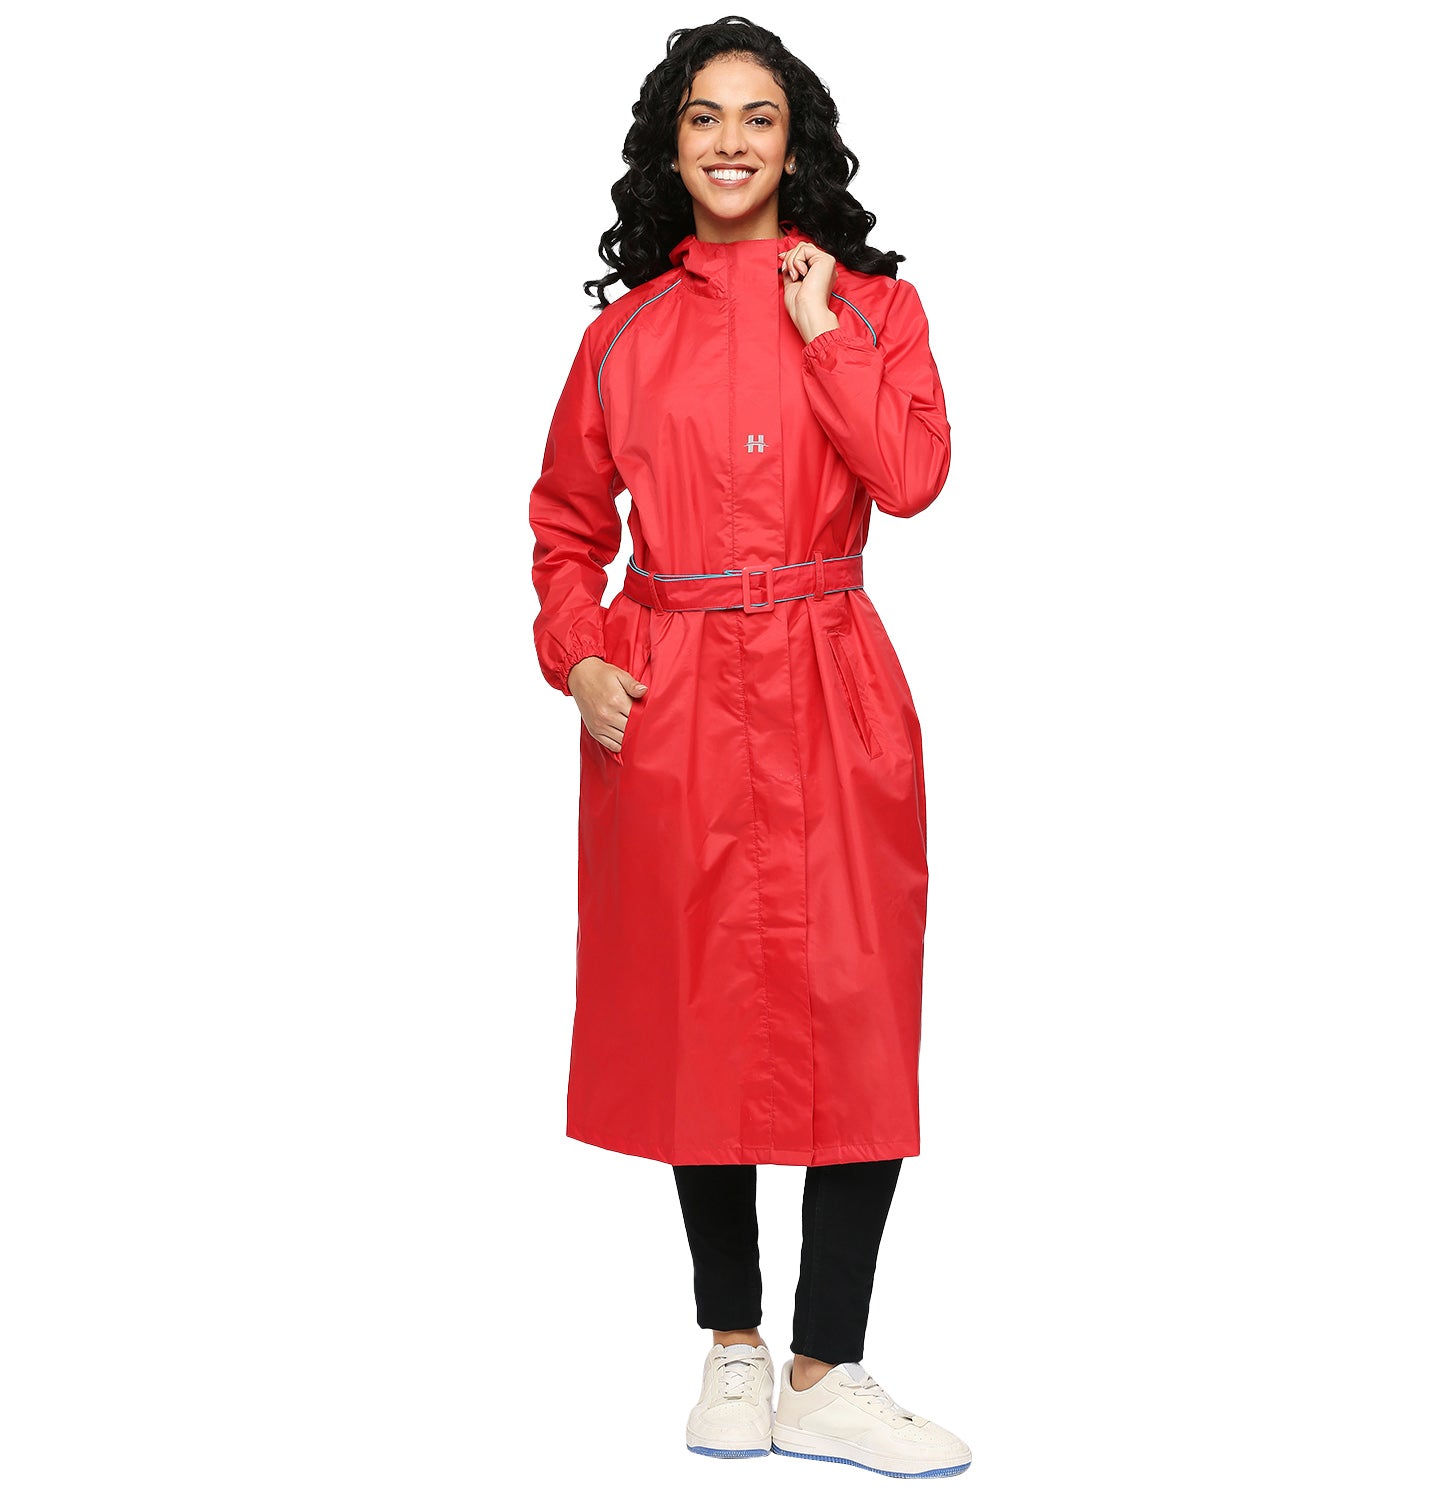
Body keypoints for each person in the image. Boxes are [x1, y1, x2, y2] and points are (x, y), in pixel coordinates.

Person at [528, 17, 969, 1479]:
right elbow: (566, 528)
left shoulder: (878, 309)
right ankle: (731, 1345)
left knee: (858, 1003)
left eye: (758, 117)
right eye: (704, 116)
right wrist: (581, 654)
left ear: (797, 142)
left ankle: (828, 1369)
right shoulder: (622, 336)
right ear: (672, 144)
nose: (731, 141)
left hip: (832, 677)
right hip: (675, 695)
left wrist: (822, 325)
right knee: (695, 1009)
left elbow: (910, 477)